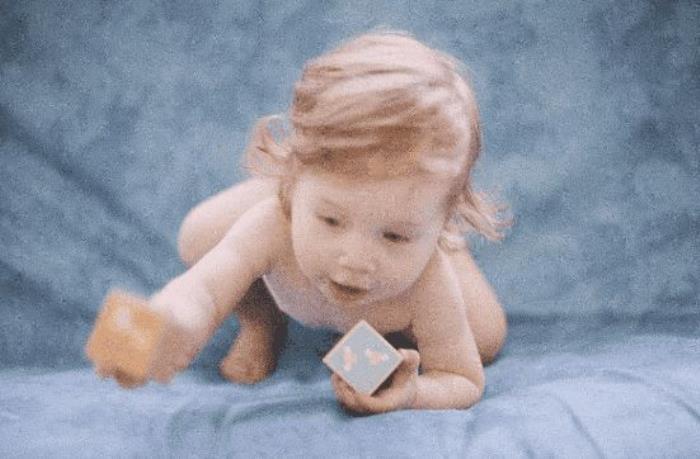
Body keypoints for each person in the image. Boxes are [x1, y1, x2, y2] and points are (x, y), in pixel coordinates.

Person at [99, 28, 513, 413]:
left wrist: (413, 393)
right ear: (293, 181)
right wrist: (174, 319)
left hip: (404, 236)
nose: (355, 260)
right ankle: (263, 322)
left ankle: (421, 234)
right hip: (287, 209)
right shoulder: (273, 226)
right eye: (331, 221)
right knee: (199, 236)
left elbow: (461, 378)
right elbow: (203, 290)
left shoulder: (428, 282)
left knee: (485, 338)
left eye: (395, 236)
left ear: (443, 223)